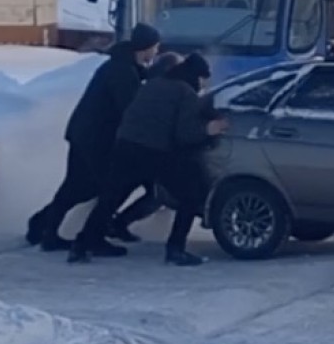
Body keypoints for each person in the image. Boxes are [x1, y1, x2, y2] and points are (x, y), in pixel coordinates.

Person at [69, 52, 227, 266]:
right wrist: (208, 129)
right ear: (197, 76)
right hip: (155, 151)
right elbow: (184, 133)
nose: (204, 85)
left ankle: (83, 244)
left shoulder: (153, 84)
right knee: (192, 195)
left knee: (112, 196)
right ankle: (175, 249)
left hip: (125, 146)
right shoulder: (185, 92)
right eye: (203, 80)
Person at [25, 23, 160, 251]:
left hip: (85, 133)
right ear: (146, 47)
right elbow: (129, 108)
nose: (157, 52)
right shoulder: (122, 71)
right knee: (98, 186)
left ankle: (44, 228)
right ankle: (84, 236)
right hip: (93, 137)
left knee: (78, 186)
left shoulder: (122, 65)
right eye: (156, 47)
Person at [105, 51, 183, 242]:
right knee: (157, 194)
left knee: (123, 189)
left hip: (130, 145)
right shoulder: (168, 90)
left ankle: (105, 225)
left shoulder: (148, 86)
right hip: (146, 148)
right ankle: (115, 224)